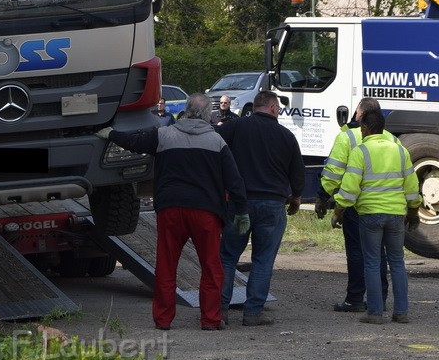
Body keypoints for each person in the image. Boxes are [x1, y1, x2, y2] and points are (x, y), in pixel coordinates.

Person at [98, 93, 248, 331]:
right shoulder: (217, 141)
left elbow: (135, 142)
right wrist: (241, 211)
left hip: (171, 209)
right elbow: (235, 180)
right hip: (206, 212)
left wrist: (111, 134)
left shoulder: (164, 135)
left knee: (167, 266)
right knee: (211, 267)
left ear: (185, 110)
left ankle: (163, 320)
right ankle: (210, 319)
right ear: (208, 114)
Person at [216, 90, 303, 326]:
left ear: (255, 106)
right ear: (274, 108)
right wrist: (295, 198)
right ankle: (253, 313)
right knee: (263, 260)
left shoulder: (236, 127)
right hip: (273, 205)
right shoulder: (286, 136)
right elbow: (297, 175)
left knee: (227, 257)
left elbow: (213, 143)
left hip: (239, 204)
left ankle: (219, 311)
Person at [332, 109, 422, 324]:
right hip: (395, 216)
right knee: (397, 262)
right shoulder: (399, 150)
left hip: (370, 216)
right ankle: (401, 312)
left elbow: (349, 188)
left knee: (371, 263)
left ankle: (375, 313)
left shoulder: (361, 151)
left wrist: (338, 211)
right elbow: (411, 186)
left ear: (364, 128)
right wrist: (413, 211)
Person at [314, 97, 391, 313]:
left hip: (356, 204)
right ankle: (380, 300)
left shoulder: (347, 136)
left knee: (357, 251)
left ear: (359, 114)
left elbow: (334, 171)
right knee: (380, 253)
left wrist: (322, 196)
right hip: (387, 206)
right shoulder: (392, 140)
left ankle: (355, 298)